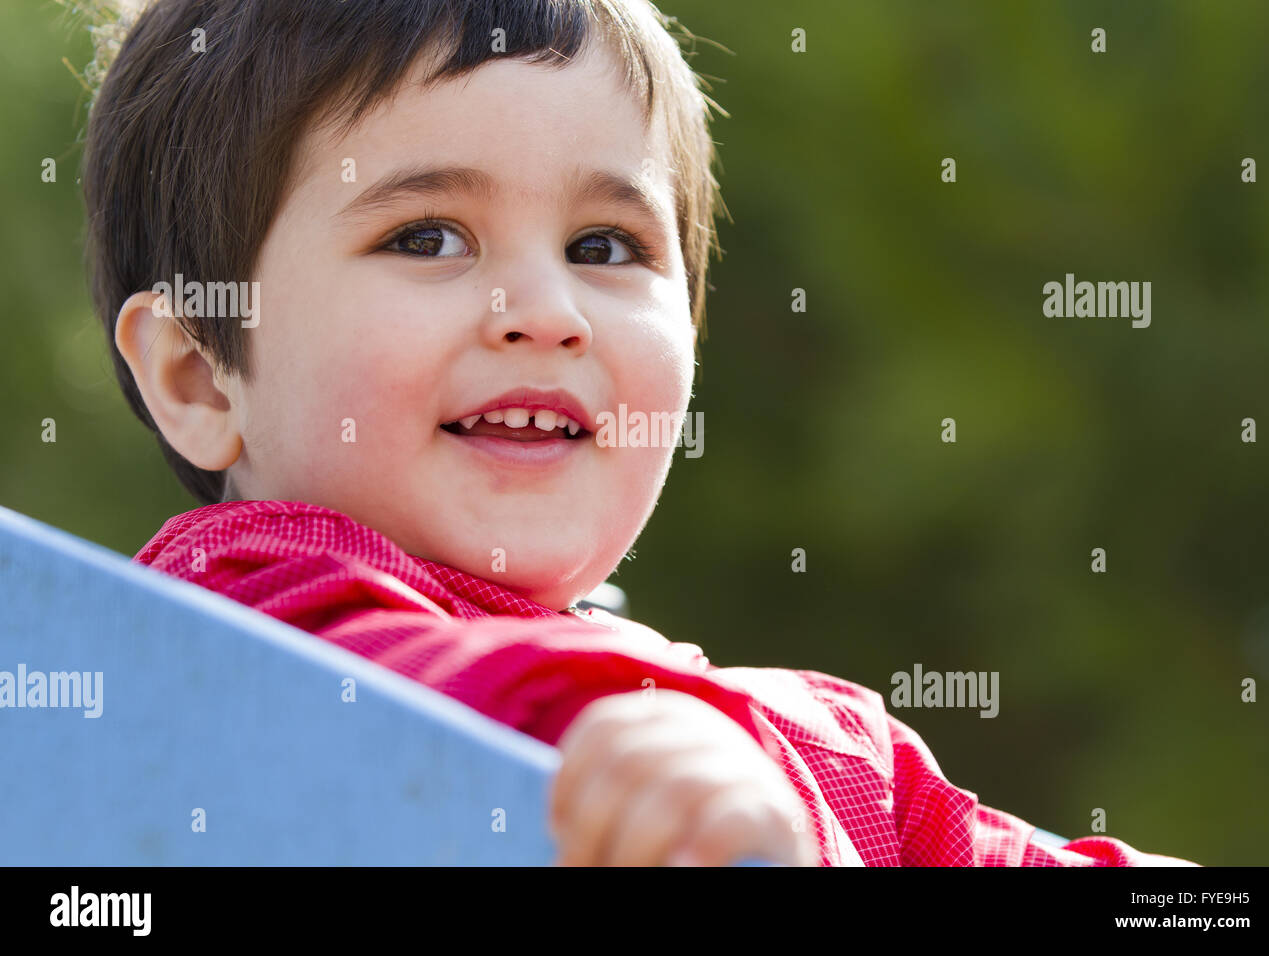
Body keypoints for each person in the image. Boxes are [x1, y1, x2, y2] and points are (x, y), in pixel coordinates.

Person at [81, 0, 1196, 866]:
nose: (548, 312)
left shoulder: (829, 743)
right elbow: (363, 703)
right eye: (427, 234)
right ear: (200, 370)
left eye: (605, 247)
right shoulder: (251, 605)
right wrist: (629, 749)